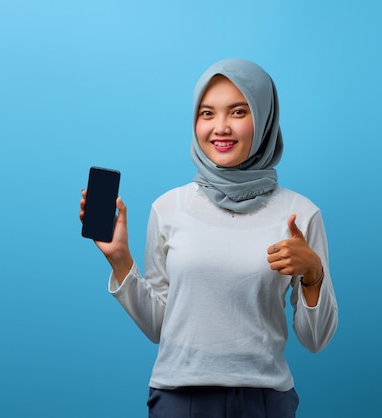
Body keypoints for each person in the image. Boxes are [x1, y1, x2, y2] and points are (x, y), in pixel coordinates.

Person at [79, 58, 338, 418]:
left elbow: (315, 339)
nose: (220, 128)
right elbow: (160, 327)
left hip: (264, 401)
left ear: (263, 119)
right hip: (177, 399)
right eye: (206, 113)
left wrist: (313, 275)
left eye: (237, 112)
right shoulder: (169, 207)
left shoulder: (301, 214)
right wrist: (120, 259)